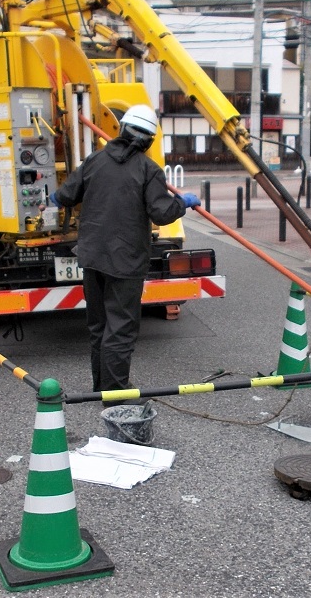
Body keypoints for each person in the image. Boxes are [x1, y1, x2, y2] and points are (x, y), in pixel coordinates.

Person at [49, 104, 201, 402]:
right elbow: (161, 212)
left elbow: (66, 195)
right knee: (120, 328)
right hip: (126, 261)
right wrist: (183, 202)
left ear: (121, 129)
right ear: (149, 141)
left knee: (99, 326)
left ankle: (100, 390)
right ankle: (116, 395)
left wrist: (52, 197)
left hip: (92, 257)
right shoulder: (149, 170)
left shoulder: (95, 160)